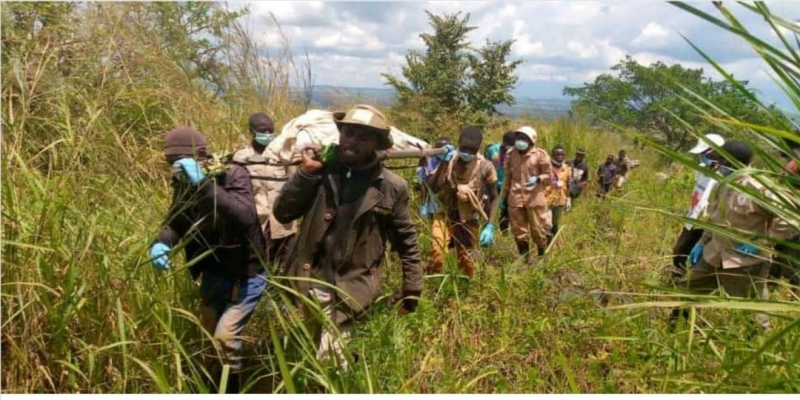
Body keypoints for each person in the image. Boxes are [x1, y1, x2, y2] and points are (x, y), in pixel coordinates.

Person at [272, 104, 423, 372]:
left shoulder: (391, 187)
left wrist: (412, 286)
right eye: (349, 134)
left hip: (351, 290)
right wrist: (305, 175)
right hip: (308, 282)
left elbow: (406, 240)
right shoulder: (319, 171)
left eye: (363, 137)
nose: (352, 141)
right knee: (302, 359)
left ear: (377, 144)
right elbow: (284, 213)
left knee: (331, 366)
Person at [148, 126, 267, 393]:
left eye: (179, 162)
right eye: (171, 164)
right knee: (211, 339)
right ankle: (214, 385)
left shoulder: (234, 174)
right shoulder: (183, 183)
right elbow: (175, 222)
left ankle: (230, 390)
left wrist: (204, 184)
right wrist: (160, 244)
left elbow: (244, 217)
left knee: (225, 339)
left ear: (201, 154)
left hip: (245, 274)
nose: (175, 168)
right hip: (212, 273)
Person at [678, 140, 799, 330]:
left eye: (719, 159)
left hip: (745, 262)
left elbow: (791, 219)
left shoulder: (759, 188)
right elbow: (715, 217)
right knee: (689, 290)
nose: (715, 163)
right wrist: (702, 242)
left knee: (753, 309)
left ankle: (757, 342)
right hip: (714, 253)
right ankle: (676, 325)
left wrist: (764, 241)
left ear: (731, 161)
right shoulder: (724, 183)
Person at [427, 126, 499, 278]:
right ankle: (433, 282)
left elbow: (494, 197)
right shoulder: (449, 160)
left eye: (472, 151)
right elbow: (433, 187)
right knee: (437, 251)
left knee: (466, 258)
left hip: (469, 219)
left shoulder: (486, 167)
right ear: (458, 143)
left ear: (478, 148)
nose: (467, 153)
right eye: (464, 148)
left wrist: (490, 225)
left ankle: (465, 286)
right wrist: (444, 163)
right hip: (445, 214)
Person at [232, 113, 298, 272]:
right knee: (256, 266)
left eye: (270, 130)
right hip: (256, 224)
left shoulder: (283, 156)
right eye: (263, 131)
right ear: (251, 131)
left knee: (283, 267)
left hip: (283, 225)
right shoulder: (241, 158)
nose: (268, 135)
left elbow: (295, 185)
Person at [671, 133, 725, 280]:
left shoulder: (724, 176)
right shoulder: (701, 169)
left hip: (707, 223)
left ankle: (687, 285)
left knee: (699, 260)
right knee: (679, 251)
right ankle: (677, 279)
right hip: (693, 219)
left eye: (704, 154)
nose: (702, 157)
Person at [501, 126, 551, 264]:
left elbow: (549, 175)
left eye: (524, 139)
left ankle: (542, 257)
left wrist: (539, 178)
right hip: (515, 198)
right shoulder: (511, 153)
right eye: (519, 138)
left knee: (538, 230)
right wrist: (502, 198)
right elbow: (507, 176)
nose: (520, 141)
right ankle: (525, 259)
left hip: (534, 199)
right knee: (519, 231)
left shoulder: (541, 155)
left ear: (531, 141)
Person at [544, 145, 573, 245]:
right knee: (547, 224)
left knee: (555, 223)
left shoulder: (567, 169)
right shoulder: (546, 167)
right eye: (557, 154)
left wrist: (568, 199)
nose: (559, 156)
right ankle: (545, 246)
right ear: (552, 155)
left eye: (561, 154)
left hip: (560, 201)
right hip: (546, 200)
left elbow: (568, 184)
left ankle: (553, 243)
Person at [417, 137, 451, 221]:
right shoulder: (428, 161)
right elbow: (424, 185)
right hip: (433, 200)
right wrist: (423, 205)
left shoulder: (453, 160)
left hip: (449, 201)